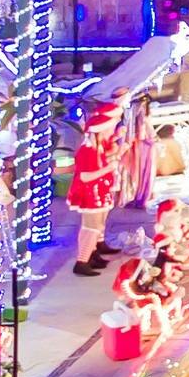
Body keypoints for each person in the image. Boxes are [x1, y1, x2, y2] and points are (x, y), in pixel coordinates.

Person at [66, 102, 127, 276]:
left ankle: (91, 255)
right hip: (90, 193)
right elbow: (85, 176)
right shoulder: (87, 150)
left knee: (97, 225)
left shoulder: (97, 147)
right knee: (91, 227)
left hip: (100, 191)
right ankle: (82, 261)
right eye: (107, 129)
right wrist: (108, 168)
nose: (110, 132)